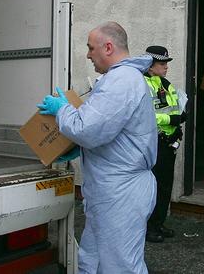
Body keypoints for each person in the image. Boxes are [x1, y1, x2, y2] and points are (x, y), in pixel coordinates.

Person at [38, 22, 157, 274]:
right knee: (93, 260)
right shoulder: (122, 79)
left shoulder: (121, 80)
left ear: (109, 47)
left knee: (120, 266)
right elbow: (109, 133)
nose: (88, 54)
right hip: (111, 191)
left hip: (120, 194)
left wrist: (62, 110)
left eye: (91, 48)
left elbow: (88, 129)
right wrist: (80, 150)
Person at [143, 45, 186, 243]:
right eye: (162, 64)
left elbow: (176, 107)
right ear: (151, 66)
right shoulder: (142, 84)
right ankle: (149, 227)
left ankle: (158, 223)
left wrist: (180, 120)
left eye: (166, 63)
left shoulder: (165, 84)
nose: (166, 67)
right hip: (154, 143)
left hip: (169, 143)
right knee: (153, 187)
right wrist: (173, 121)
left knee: (165, 186)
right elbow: (147, 115)